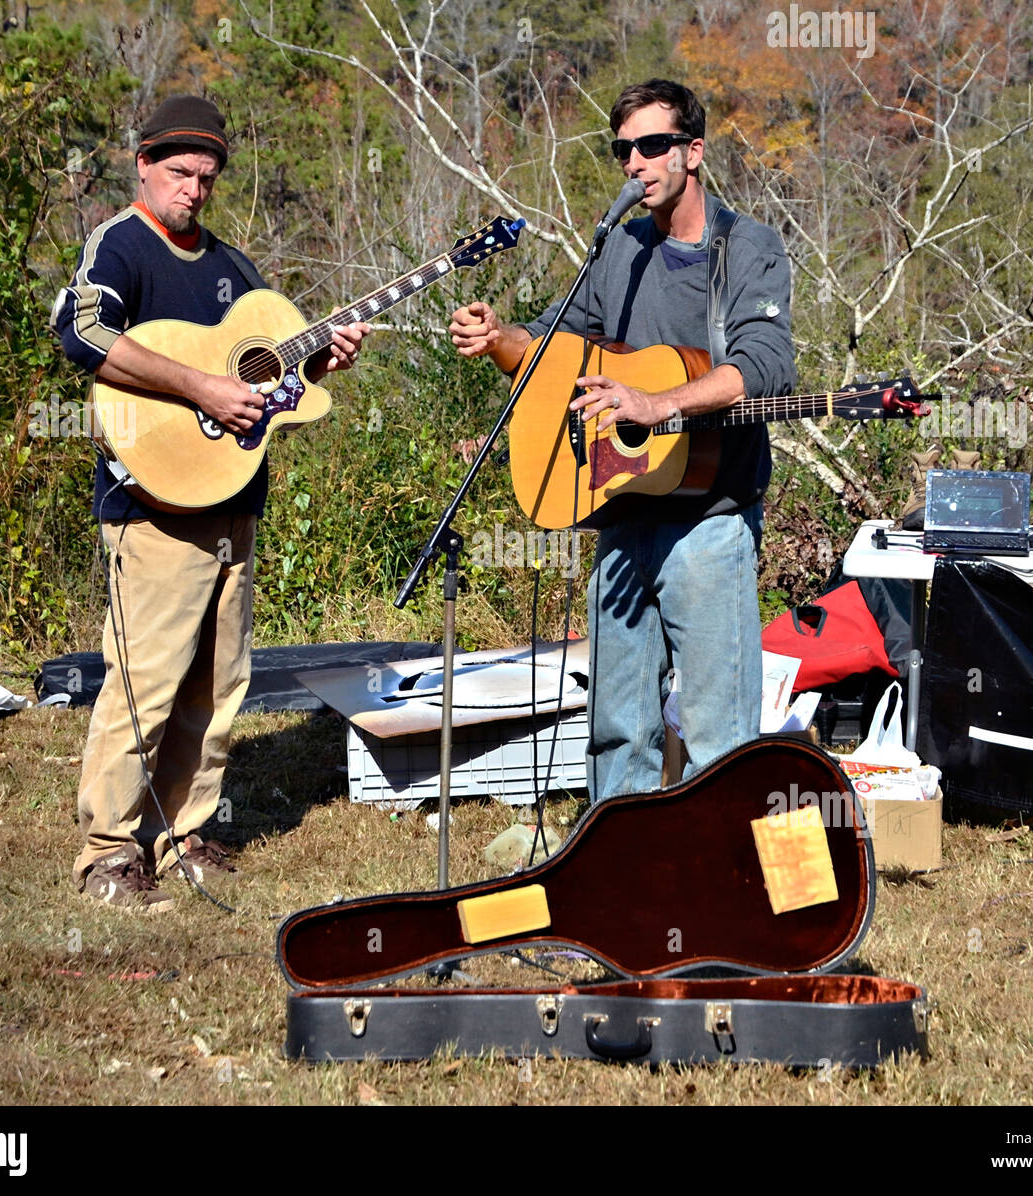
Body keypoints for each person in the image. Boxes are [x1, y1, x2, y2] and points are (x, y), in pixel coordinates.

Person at [51, 96, 370, 909]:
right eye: (180, 173)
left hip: (233, 497)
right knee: (144, 681)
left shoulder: (232, 267)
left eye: (207, 177)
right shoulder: (119, 246)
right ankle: (109, 853)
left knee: (219, 681)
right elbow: (82, 337)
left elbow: (269, 388)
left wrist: (321, 365)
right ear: (143, 165)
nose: (193, 190)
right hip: (154, 504)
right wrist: (200, 385)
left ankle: (186, 831)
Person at [449, 79, 795, 801]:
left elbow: (764, 368)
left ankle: (718, 882)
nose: (635, 163)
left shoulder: (749, 248)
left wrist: (658, 403)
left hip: (710, 521)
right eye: (622, 151)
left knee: (715, 732)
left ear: (693, 152)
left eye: (652, 146)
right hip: (621, 507)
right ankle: (616, 876)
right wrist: (501, 339)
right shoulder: (620, 249)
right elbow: (556, 343)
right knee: (616, 725)